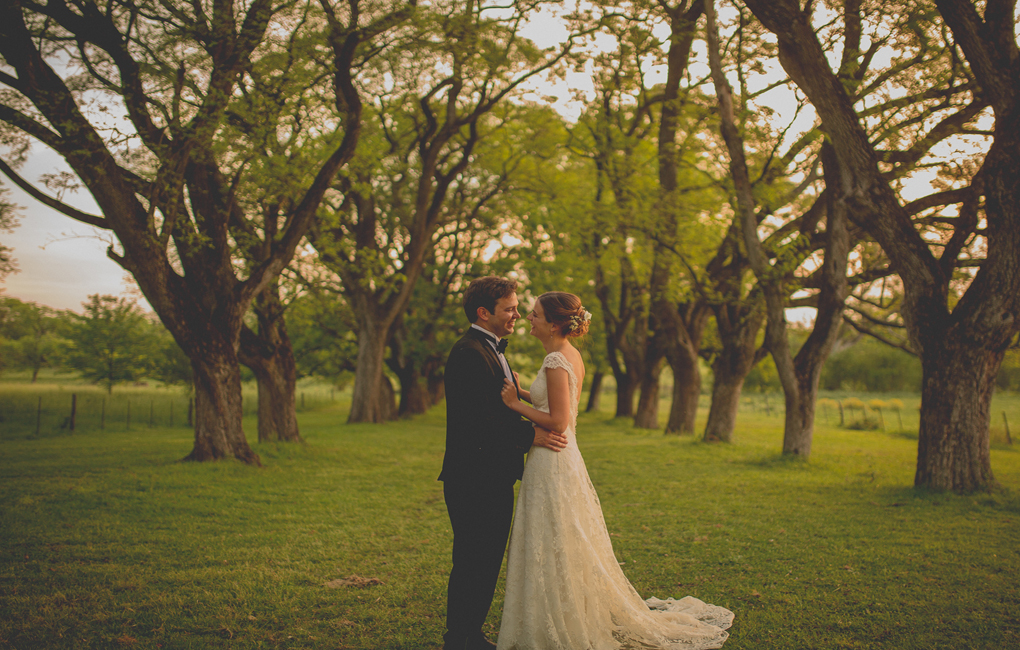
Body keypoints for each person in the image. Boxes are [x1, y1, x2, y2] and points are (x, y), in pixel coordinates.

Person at [496, 291, 735, 650]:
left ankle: (560, 616)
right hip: (559, 457)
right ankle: (558, 608)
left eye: (536, 315)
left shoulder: (556, 361)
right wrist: (525, 392)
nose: (530, 319)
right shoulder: (566, 356)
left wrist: (515, 404)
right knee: (558, 536)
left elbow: (559, 421)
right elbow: (556, 403)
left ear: (556, 323)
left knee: (555, 535)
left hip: (552, 457)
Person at [439, 277, 570, 650]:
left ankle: (470, 634)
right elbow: (479, 419)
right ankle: (460, 639)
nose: (517, 314)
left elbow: (499, 406)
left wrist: (526, 422)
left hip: (491, 473)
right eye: (510, 309)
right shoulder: (469, 352)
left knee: (485, 559)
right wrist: (530, 436)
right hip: (473, 477)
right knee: (472, 560)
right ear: (485, 313)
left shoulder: (491, 349)